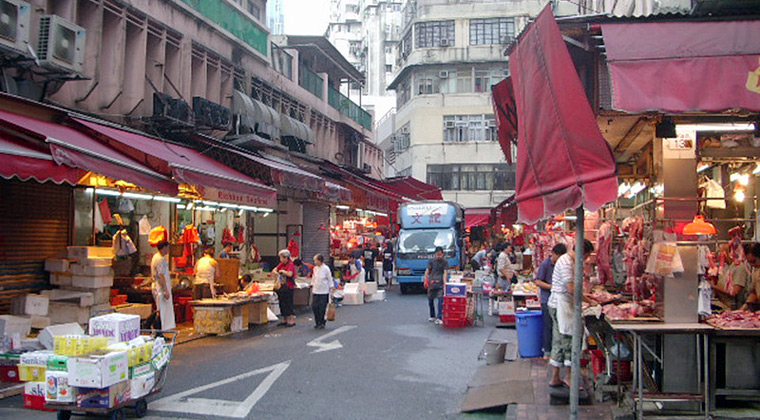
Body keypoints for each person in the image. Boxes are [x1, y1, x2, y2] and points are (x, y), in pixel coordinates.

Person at [548, 239, 594, 389]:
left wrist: (588, 298)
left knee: (558, 341)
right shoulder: (567, 262)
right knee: (569, 340)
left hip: (559, 304)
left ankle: (555, 377)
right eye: (587, 255)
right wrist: (590, 301)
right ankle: (569, 377)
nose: (587, 259)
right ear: (582, 252)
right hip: (562, 305)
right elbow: (571, 288)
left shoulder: (570, 261)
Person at [534, 243, 567, 358]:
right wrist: (552, 287)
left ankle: (557, 352)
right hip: (547, 299)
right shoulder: (545, 264)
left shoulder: (562, 265)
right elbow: (538, 281)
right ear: (554, 254)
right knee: (548, 326)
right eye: (559, 256)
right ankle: (547, 351)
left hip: (560, 300)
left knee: (557, 326)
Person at [149, 241, 175, 331]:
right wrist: (165, 290)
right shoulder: (160, 259)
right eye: (168, 247)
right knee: (160, 311)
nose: (168, 250)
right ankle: (156, 331)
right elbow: (161, 276)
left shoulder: (156, 257)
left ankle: (153, 328)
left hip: (158, 286)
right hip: (159, 287)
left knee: (160, 309)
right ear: (164, 247)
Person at [424, 246, 449, 325]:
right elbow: (427, 271)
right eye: (437, 255)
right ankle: (432, 315)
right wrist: (426, 279)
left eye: (440, 255)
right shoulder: (431, 261)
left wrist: (445, 283)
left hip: (440, 282)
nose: (439, 256)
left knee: (440, 300)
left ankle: (440, 317)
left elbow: (445, 273)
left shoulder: (445, 262)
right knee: (430, 300)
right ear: (435, 254)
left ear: (442, 254)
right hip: (432, 282)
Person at [272, 249, 297, 327]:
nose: (281, 260)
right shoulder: (281, 264)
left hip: (288, 287)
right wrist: (277, 272)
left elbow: (290, 274)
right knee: (282, 303)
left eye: (282, 258)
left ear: (286, 258)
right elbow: (274, 270)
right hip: (281, 287)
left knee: (288, 303)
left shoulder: (290, 264)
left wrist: (283, 271)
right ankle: (284, 319)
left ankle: (291, 320)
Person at [311, 254, 334, 329]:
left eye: (315, 260)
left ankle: (322, 322)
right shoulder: (315, 268)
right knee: (315, 306)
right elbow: (314, 277)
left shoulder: (326, 268)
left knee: (322, 307)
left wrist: (331, 287)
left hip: (324, 291)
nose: (314, 262)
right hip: (316, 290)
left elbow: (329, 278)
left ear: (320, 261)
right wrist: (312, 284)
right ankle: (317, 322)